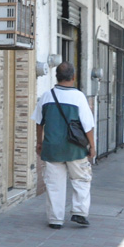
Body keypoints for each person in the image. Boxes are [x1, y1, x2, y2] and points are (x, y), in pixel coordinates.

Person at [33, 62, 96, 229]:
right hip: (75, 148)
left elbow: (39, 122)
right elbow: (88, 125)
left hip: (52, 148)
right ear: (73, 77)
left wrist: (39, 142)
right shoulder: (79, 97)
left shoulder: (46, 96)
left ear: (56, 77)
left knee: (54, 185)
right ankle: (79, 213)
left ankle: (55, 219)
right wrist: (92, 146)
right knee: (81, 179)